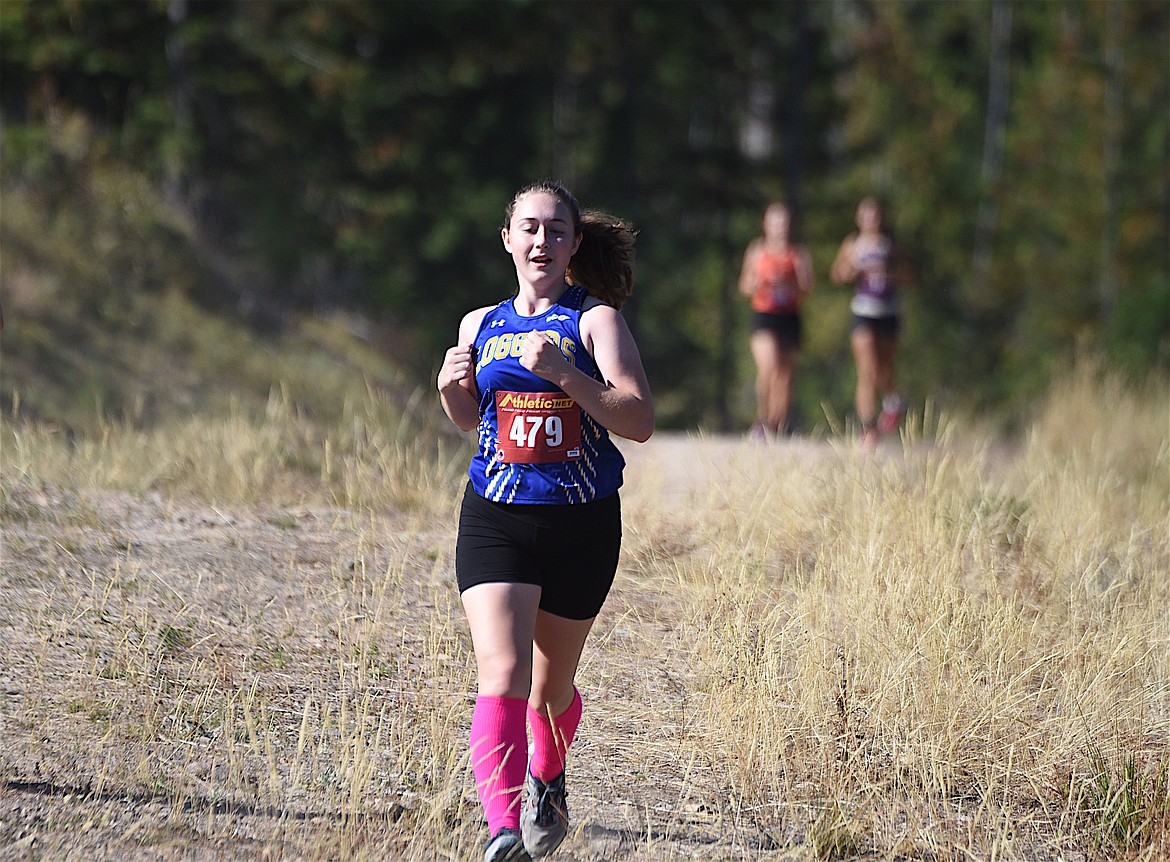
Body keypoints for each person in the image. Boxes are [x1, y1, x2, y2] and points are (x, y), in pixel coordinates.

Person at [437, 182, 653, 862]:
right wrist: (450, 392)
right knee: (502, 675)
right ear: (507, 238)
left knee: (549, 690)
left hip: (579, 525)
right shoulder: (479, 324)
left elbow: (639, 420)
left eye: (555, 230)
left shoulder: (596, 323)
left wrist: (565, 374)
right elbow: (475, 420)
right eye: (528, 228)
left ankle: (548, 776)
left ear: (573, 244)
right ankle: (503, 830)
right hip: (495, 517)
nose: (541, 241)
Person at [830, 196, 910, 448]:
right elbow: (837, 275)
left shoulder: (890, 244)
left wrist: (890, 274)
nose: (870, 220)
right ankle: (868, 428)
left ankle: (893, 400)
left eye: (874, 215)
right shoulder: (852, 244)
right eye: (865, 216)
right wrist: (853, 269)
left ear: (880, 218)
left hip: (888, 311)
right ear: (858, 218)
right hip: (864, 311)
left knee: (883, 370)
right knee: (866, 370)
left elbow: (910, 274)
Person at [737, 201, 814, 439]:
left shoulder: (797, 253)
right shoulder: (756, 251)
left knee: (785, 374)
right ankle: (762, 419)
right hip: (764, 315)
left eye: (784, 222)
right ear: (765, 224)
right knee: (768, 366)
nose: (779, 226)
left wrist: (788, 283)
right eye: (775, 221)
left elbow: (807, 288)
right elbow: (744, 286)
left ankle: (777, 423)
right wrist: (762, 282)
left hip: (789, 316)